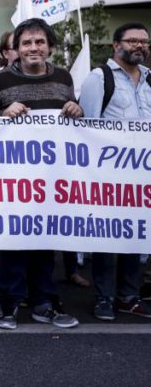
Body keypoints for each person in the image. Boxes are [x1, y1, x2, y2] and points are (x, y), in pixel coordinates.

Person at [0, 17, 82, 330]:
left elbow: (75, 126)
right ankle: (8, 304)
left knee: (45, 241)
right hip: (11, 179)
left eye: (40, 42)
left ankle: (44, 303)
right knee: (13, 243)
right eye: (26, 43)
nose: (33, 48)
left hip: (51, 178)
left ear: (50, 47)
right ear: (16, 49)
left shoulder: (64, 78)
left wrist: (77, 111)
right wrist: (1, 112)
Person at [80, 22, 151, 321]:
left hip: (141, 176)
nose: (139, 46)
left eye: (144, 42)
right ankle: (105, 297)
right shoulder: (100, 78)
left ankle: (129, 296)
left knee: (135, 236)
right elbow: (88, 127)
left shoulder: (149, 80)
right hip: (108, 175)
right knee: (108, 238)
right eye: (132, 40)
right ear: (116, 45)